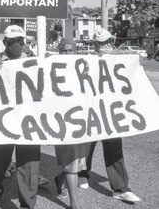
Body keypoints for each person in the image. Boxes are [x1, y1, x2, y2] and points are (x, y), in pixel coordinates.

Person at [76, 27, 141, 203]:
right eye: (101, 43)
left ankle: (120, 188)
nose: (105, 45)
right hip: (91, 110)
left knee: (114, 147)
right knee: (86, 146)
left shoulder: (120, 60)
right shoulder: (86, 60)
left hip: (111, 112)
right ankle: (81, 174)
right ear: (95, 44)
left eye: (107, 42)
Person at [0, 25, 41, 209]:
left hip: (28, 119)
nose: (14, 45)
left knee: (29, 162)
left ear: (23, 42)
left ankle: (27, 202)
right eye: (10, 42)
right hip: (4, 119)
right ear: (5, 43)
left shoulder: (35, 61)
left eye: (18, 41)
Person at [53, 40, 92, 209]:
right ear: (59, 51)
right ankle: (74, 203)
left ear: (76, 51)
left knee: (78, 159)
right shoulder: (52, 68)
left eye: (71, 51)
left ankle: (60, 179)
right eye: (64, 51)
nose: (67, 54)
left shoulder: (85, 67)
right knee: (71, 160)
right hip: (62, 121)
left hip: (82, 120)